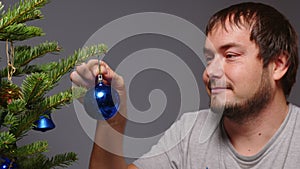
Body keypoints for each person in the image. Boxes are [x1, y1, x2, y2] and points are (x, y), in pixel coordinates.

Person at [70, 2, 299, 169]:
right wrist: (113, 118)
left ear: (278, 65)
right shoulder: (190, 131)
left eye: (230, 55)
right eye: (209, 59)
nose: (210, 72)